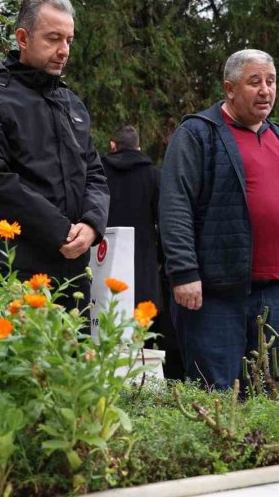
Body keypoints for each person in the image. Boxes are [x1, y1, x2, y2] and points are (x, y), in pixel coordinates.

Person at [159, 48, 279, 391]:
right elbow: (174, 204)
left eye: (271, 81)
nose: (265, 90)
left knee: (268, 394)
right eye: (254, 81)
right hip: (215, 292)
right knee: (217, 394)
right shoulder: (198, 134)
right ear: (229, 89)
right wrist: (183, 272)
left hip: (272, 292)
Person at [0, 0, 109, 303]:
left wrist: (93, 224)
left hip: (72, 272)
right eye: (53, 38)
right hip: (11, 270)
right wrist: (59, 229)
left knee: (69, 353)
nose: (63, 50)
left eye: (68, 40)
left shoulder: (72, 105)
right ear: (23, 38)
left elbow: (94, 173)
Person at [103, 125, 184, 379]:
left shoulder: (98, 173)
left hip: (104, 264)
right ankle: (142, 388)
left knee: (104, 329)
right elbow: (168, 222)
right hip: (143, 269)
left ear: (112, 146)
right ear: (138, 148)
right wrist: (160, 259)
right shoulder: (153, 176)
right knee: (143, 337)